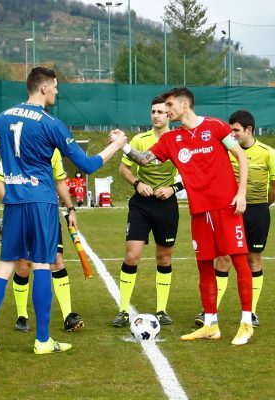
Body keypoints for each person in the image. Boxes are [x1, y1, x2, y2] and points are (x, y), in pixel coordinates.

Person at [0, 66, 126, 356]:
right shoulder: (51, 123)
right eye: (56, 86)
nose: (57, 91)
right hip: (42, 203)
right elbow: (88, 165)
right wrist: (117, 145)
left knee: (4, 267)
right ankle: (43, 340)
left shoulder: (3, 117)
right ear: (43, 87)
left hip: (14, 203)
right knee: (42, 264)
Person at [109, 87, 254, 345]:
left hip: (226, 206)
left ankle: (245, 323)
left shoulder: (216, 127)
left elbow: (241, 156)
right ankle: (210, 324)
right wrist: (124, 145)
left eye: (169, 105)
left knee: (239, 261)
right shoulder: (171, 139)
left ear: (184, 105)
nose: (166, 110)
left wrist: (241, 192)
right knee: (204, 265)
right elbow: (143, 159)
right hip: (199, 211)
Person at [194, 110, 275, 329]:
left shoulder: (268, 153)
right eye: (230, 130)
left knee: (253, 260)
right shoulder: (225, 151)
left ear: (249, 130)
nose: (231, 134)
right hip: (231, 211)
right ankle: (210, 311)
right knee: (223, 259)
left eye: (235, 130)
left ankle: (251, 312)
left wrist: (261, 207)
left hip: (258, 211)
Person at [111, 95, 184, 328]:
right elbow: (124, 168)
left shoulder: (179, 140)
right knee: (132, 254)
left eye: (160, 112)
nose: (155, 116)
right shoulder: (140, 140)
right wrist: (136, 184)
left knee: (164, 257)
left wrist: (172, 189)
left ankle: (161, 310)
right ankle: (123, 310)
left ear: (169, 114)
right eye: (153, 112)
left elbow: (192, 174)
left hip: (167, 205)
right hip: (141, 205)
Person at [0, 150, 84, 335]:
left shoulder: (53, 150)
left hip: (47, 214)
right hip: (21, 215)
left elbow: (59, 182)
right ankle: (22, 316)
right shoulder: (13, 148)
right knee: (23, 266)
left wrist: (71, 209)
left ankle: (68, 316)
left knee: (56, 261)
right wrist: (14, 205)